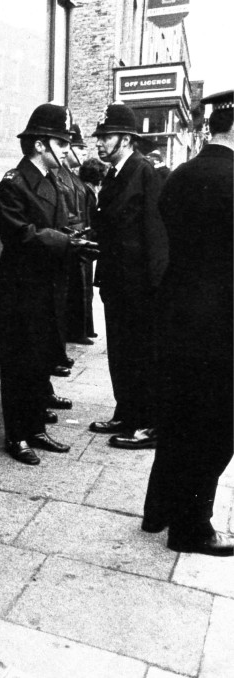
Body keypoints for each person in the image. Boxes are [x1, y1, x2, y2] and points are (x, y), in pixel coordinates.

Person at [142, 90, 234, 557]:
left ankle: (158, 510)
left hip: (177, 314)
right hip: (221, 327)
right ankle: (192, 526)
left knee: (177, 418)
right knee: (215, 428)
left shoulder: (179, 176)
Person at [0, 104, 98, 465]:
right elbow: (20, 234)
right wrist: (67, 243)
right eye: (60, 142)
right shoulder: (12, 184)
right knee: (20, 366)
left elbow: (63, 225)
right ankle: (16, 436)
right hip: (21, 292)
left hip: (48, 289)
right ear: (39, 145)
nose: (66, 149)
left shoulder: (54, 181)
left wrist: (78, 242)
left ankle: (34, 428)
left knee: (39, 363)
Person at [88, 103, 167, 450]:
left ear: (127, 138)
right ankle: (126, 412)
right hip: (117, 284)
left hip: (139, 286)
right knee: (121, 352)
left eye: (106, 137)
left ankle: (147, 423)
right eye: (100, 137)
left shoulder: (144, 172)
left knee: (141, 354)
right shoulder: (116, 173)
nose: (100, 143)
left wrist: (156, 286)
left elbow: (155, 232)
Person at [60, 124, 96, 346]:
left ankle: (79, 330)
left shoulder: (74, 179)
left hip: (79, 238)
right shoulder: (63, 178)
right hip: (70, 239)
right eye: (79, 148)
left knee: (81, 288)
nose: (84, 153)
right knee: (72, 290)